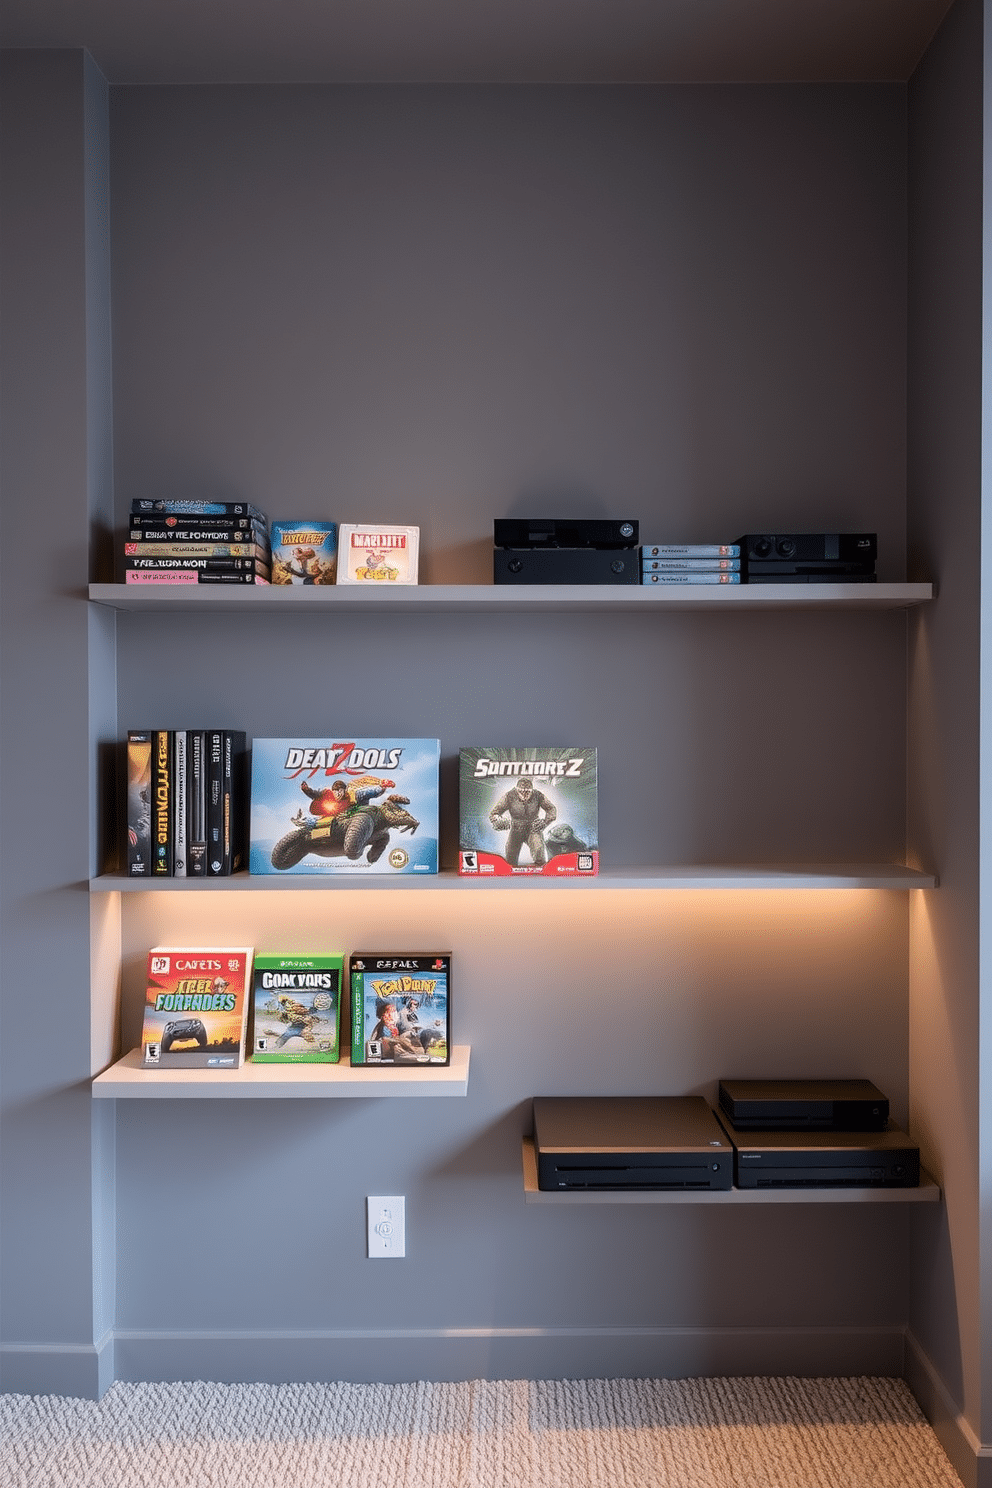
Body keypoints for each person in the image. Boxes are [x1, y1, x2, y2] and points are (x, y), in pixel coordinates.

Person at [489, 775, 556, 866]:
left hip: (533, 827)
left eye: (528, 791)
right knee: (510, 858)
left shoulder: (538, 795)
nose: (524, 794)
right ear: (517, 790)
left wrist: (545, 822)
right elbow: (494, 813)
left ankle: (540, 873)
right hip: (516, 828)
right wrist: (499, 820)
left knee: (539, 851)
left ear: (531, 790)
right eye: (521, 791)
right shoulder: (509, 796)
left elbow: (551, 809)